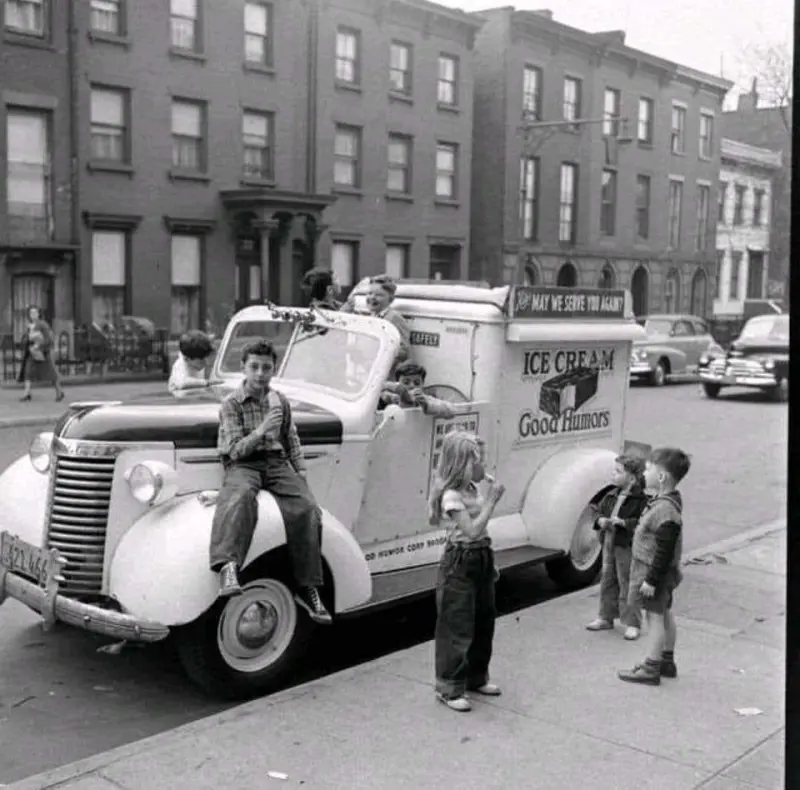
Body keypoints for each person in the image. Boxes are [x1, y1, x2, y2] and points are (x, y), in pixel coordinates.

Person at [209, 340, 332, 625]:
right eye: (254, 367)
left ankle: (308, 586)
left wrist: (300, 470)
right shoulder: (231, 403)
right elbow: (235, 450)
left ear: (274, 370)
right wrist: (263, 429)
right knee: (239, 497)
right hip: (244, 463)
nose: (261, 374)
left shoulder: (279, 400)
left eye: (266, 368)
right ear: (243, 368)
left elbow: (290, 437)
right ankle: (228, 567)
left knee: (308, 509)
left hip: (276, 463)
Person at [429, 431, 506, 712]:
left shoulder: (471, 489)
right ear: (462, 464)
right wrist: (492, 501)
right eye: (478, 461)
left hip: (481, 556)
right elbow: (472, 531)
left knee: (483, 620)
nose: (483, 467)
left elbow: (481, 535)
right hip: (460, 560)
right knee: (457, 624)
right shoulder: (451, 496)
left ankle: (475, 676)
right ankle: (449, 687)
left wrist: (490, 563)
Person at [618, 447, 691, 686]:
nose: (644, 472)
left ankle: (651, 667)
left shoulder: (665, 511)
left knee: (654, 617)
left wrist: (650, 580)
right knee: (665, 613)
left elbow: (664, 550)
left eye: (649, 468)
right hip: (662, 574)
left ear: (661, 477)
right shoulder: (666, 503)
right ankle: (666, 660)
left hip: (654, 573)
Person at [585, 454, 649, 640]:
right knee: (607, 580)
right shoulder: (611, 495)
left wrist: (624, 523)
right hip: (609, 544)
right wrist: (600, 520)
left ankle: (633, 623)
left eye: (618, 471)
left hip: (625, 545)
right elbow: (596, 511)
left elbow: (643, 523)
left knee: (628, 582)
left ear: (631, 478)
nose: (613, 474)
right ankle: (606, 616)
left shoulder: (640, 501)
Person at [343, 275, 410, 369]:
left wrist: (379, 361)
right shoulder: (372, 316)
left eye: (379, 295)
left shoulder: (394, 318)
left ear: (391, 299)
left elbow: (404, 351)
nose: (372, 297)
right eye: (369, 293)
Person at [380, 361, 459, 418]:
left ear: (422, 384)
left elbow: (453, 410)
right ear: (397, 383)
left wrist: (427, 405)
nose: (412, 386)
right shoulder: (391, 398)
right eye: (406, 382)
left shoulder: (425, 399)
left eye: (417, 383)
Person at [18, 306, 64, 403]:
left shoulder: (43, 325)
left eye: (35, 313)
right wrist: (27, 340)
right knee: (28, 372)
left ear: (39, 314)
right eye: (31, 313)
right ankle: (27, 394)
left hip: (43, 353)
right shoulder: (29, 326)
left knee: (51, 374)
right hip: (32, 353)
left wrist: (39, 345)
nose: (33, 315)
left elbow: (49, 339)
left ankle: (59, 392)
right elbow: (25, 338)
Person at [168, 330, 214, 394]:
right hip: (182, 400)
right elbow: (182, 383)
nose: (206, 363)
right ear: (186, 359)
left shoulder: (195, 360)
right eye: (201, 361)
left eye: (206, 358)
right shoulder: (179, 366)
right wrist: (206, 382)